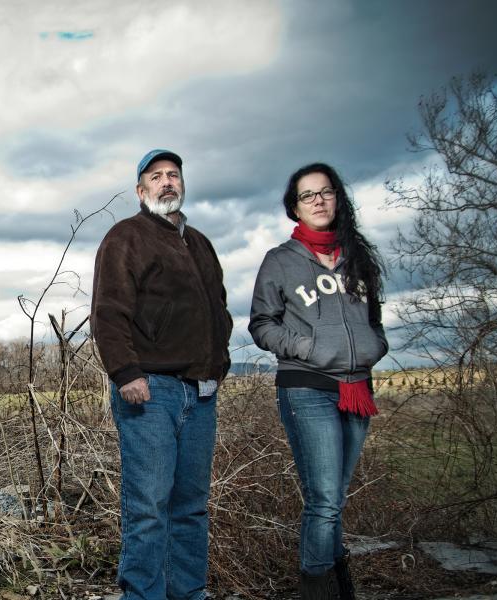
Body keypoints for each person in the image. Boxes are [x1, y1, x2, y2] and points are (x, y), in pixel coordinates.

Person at [91, 149, 232, 600]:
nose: (167, 182)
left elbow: (220, 311)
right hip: (150, 391)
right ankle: (143, 595)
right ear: (141, 190)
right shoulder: (126, 237)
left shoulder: (201, 244)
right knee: (148, 507)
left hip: (201, 391)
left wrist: (220, 363)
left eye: (174, 175)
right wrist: (126, 372)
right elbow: (108, 311)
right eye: (156, 177)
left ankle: (188, 592)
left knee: (190, 507)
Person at [249, 163, 388, 600]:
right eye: (308, 195)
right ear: (295, 208)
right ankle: (318, 591)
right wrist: (308, 349)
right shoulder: (280, 262)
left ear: (337, 199)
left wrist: (373, 346)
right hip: (307, 386)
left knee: (336, 499)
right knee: (324, 500)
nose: (319, 201)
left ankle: (337, 585)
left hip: (356, 389)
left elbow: (373, 319)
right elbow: (261, 325)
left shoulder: (358, 259)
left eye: (326, 192)